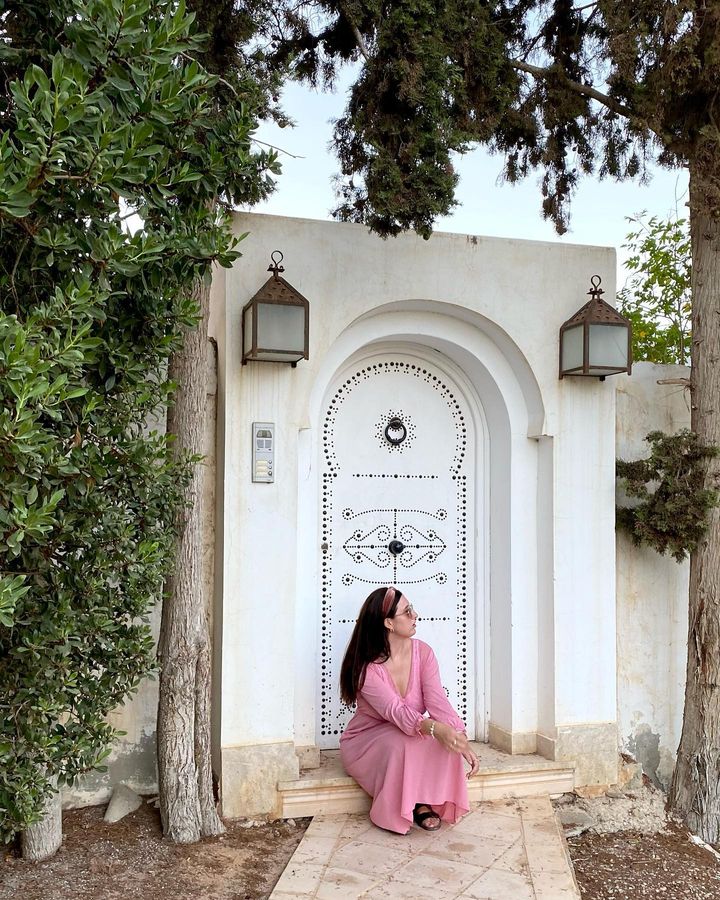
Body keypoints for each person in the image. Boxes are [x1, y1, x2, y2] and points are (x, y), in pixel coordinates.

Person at [339, 585, 480, 834]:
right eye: (407, 612)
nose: (415, 615)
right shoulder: (367, 668)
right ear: (389, 624)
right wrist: (436, 728)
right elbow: (395, 711)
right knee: (408, 742)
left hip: (407, 729)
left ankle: (424, 798)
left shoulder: (423, 652)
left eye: (411, 609)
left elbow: (437, 700)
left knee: (440, 739)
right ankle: (406, 806)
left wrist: (459, 737)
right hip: (366, 741)